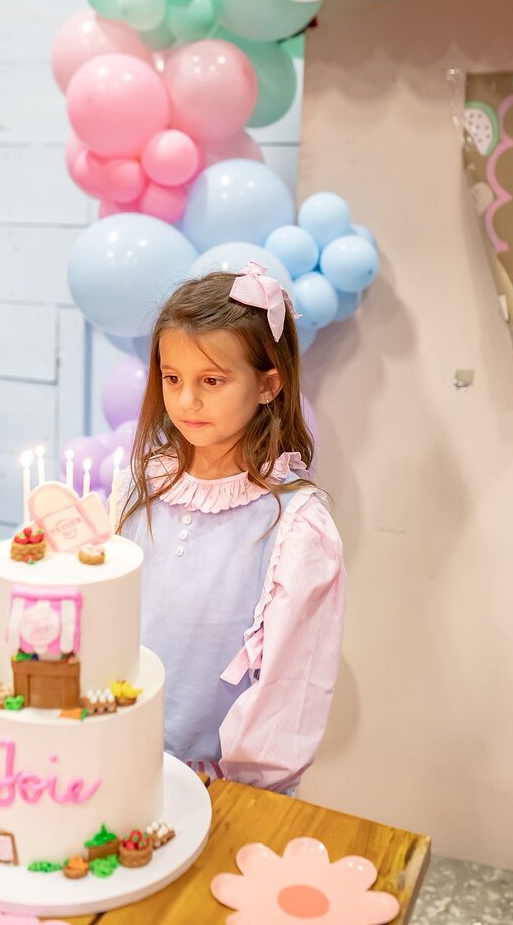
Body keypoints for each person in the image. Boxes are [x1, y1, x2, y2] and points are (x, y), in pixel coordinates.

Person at [115, 261, 346, 793]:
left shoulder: (295, 526)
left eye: (212, 381)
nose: (186, 401)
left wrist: (246, 788)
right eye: (172, 379)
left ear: (269, 384)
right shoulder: (136, 486)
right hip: (116, 750)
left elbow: (290, 684)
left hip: (216, 787)